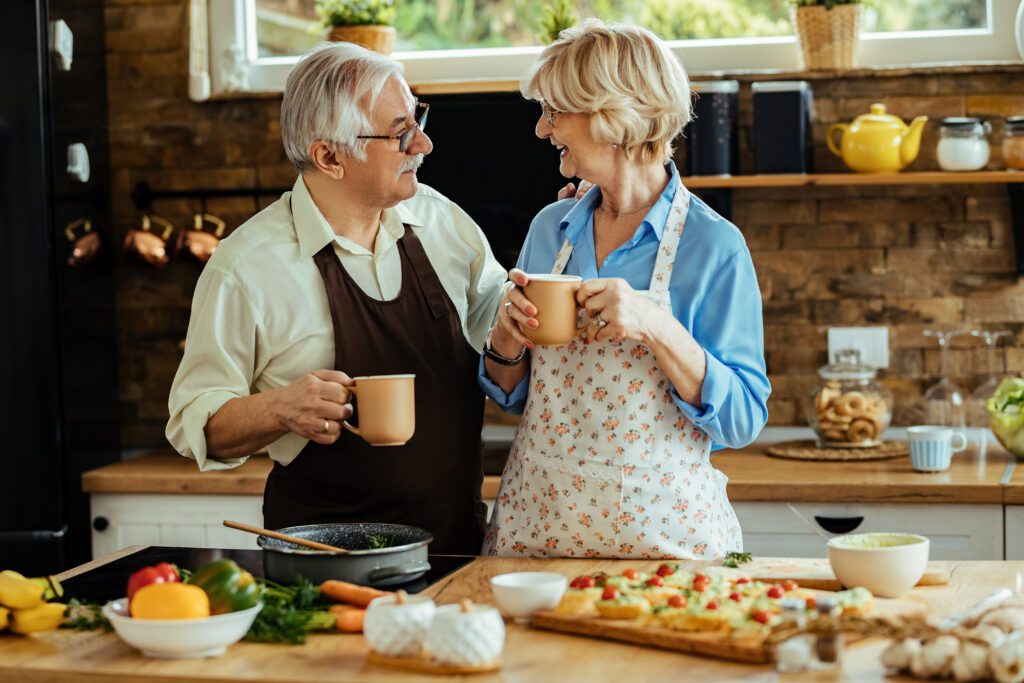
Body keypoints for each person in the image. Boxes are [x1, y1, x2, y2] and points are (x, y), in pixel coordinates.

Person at [166, 42, 508, 554]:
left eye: (418, 119)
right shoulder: (245, 267)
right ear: (329, 156)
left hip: (455, 547)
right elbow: (195, 421)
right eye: (400, 133)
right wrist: (279, 409)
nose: (424, 145)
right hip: (321, 564)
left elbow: (505, 329)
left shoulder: (442, 222)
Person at [479, 20, 771, 559]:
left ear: (613, 115)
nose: (543, 131)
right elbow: (512, 395)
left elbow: (744, 418)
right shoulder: (551, 228)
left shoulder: (713, 246)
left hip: (668, 547)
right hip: (537, 536)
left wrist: (656, 326)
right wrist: (506, 338)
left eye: (554, 112)